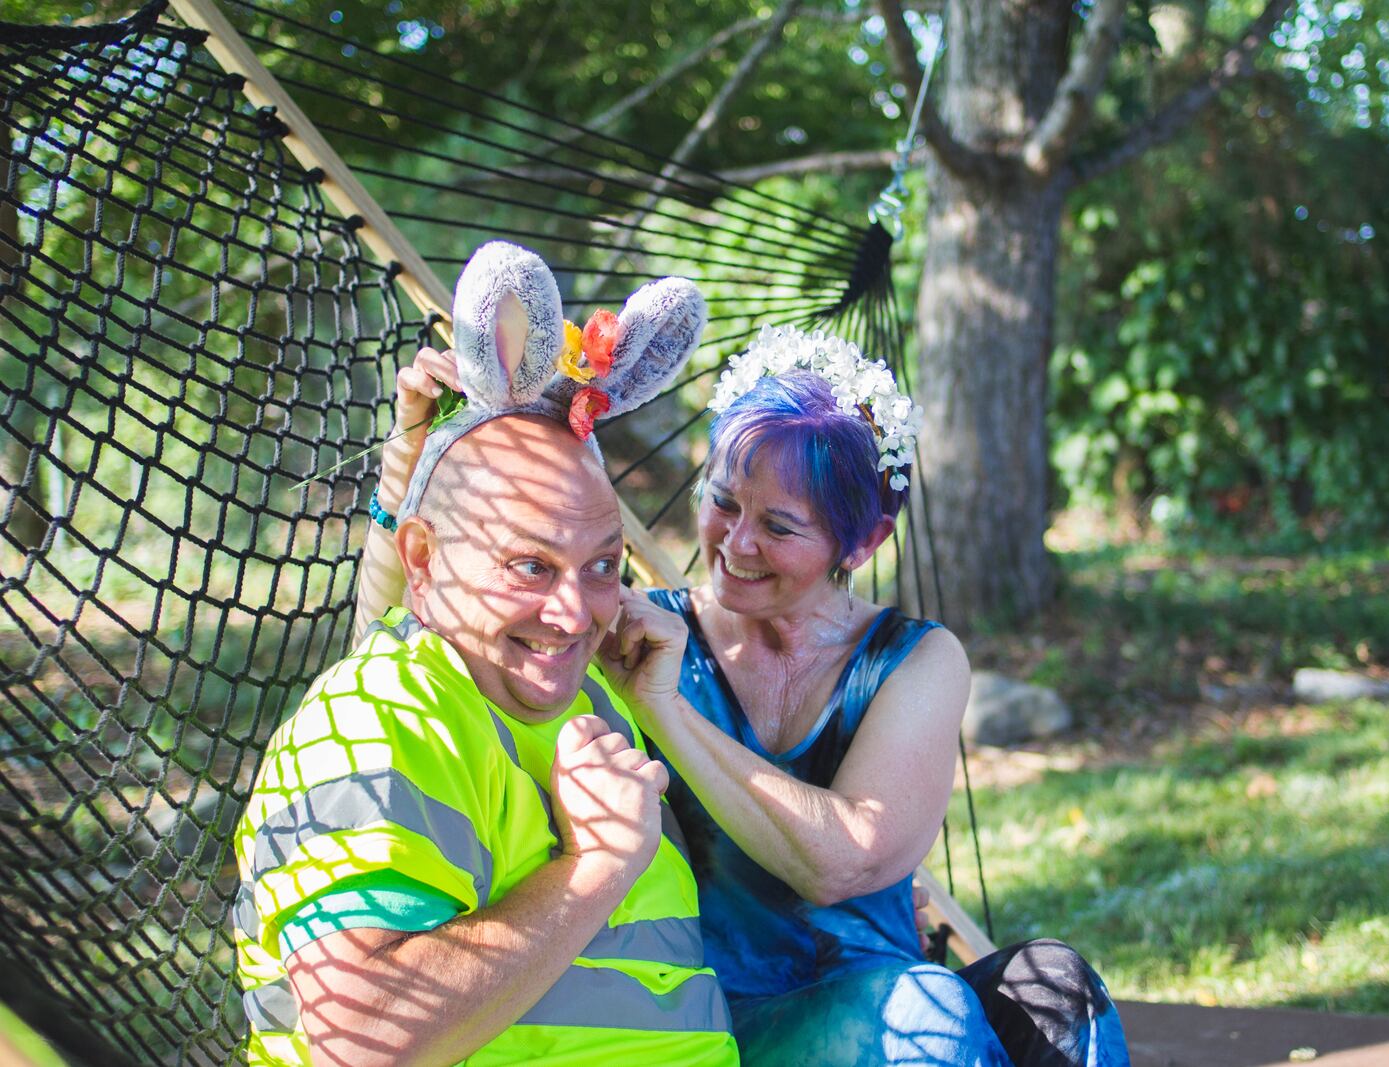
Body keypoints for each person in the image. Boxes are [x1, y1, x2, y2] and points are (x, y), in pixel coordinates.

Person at [364, 326, 1128, 1067]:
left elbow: (842, 863)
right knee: (923, 1010)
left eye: (779, 525)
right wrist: (409, 450)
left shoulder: (915, 659)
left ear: (863, 544)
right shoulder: (642, 630)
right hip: (719, 1021)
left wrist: (667, 708)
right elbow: (408, 630)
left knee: (1056, 988)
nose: (735, 543)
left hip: (899, 1010)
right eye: (724, 501)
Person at [233, 244, 737, 1065]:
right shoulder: (375, 717)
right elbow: (362, 1045)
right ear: (425, 560)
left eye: (603, 564)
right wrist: (596, 864)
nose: (574, 611)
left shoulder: (592, 698)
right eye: (531, 565)